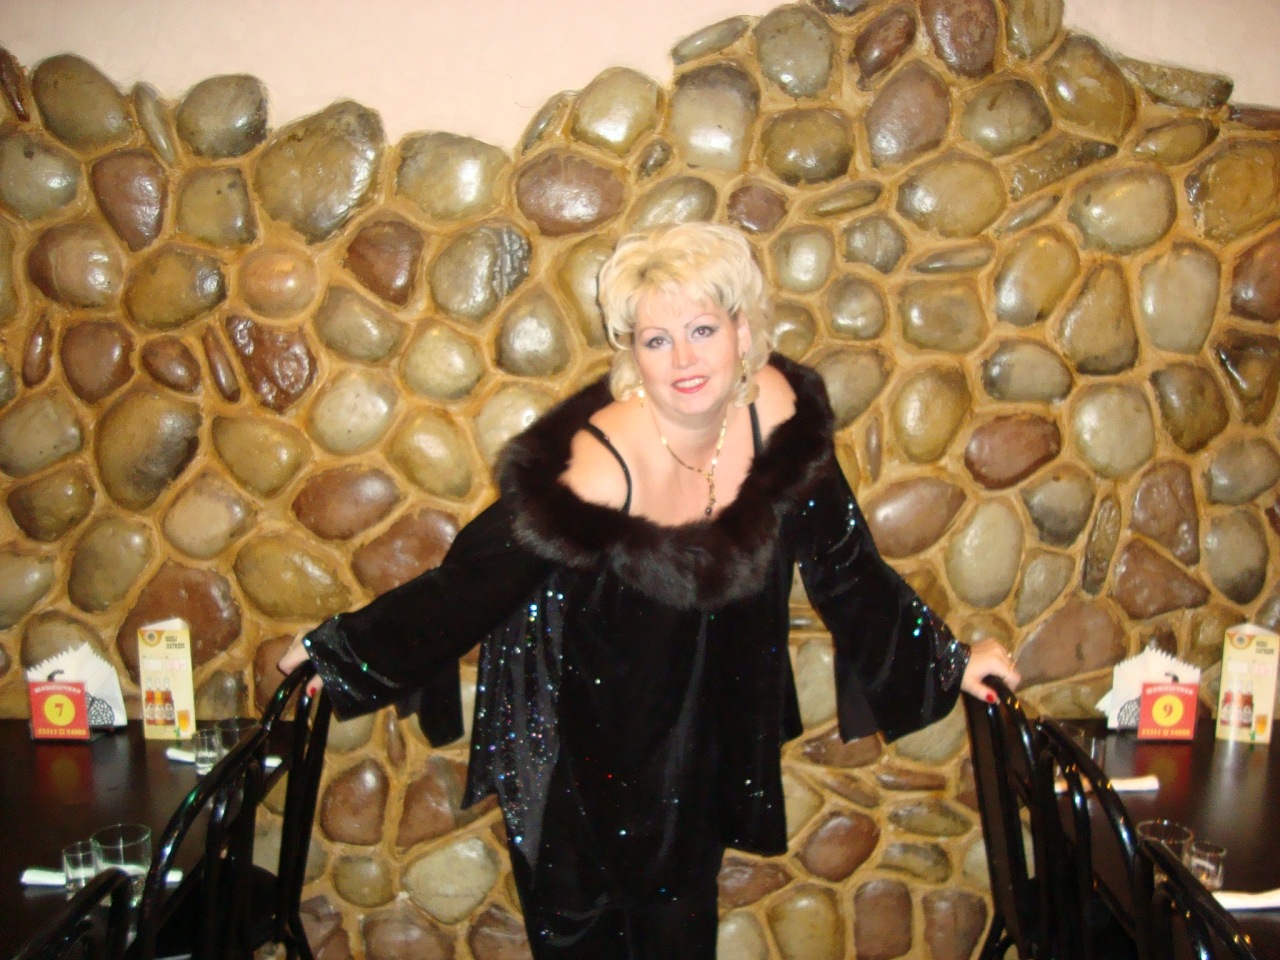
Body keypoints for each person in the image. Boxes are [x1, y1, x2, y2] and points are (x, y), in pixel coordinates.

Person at [279, 222, 1019, 959]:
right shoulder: (602, 461)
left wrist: (949, 660)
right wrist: (338, 656)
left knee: (679, 929)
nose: (683, 360)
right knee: (582, 928)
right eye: (656, 340)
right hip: (581, 742)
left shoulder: (780, 420)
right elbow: (472, 586)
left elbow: (846, 564)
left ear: (743, 330)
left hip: (698, 733)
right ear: (632, 350)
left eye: (702, 329)